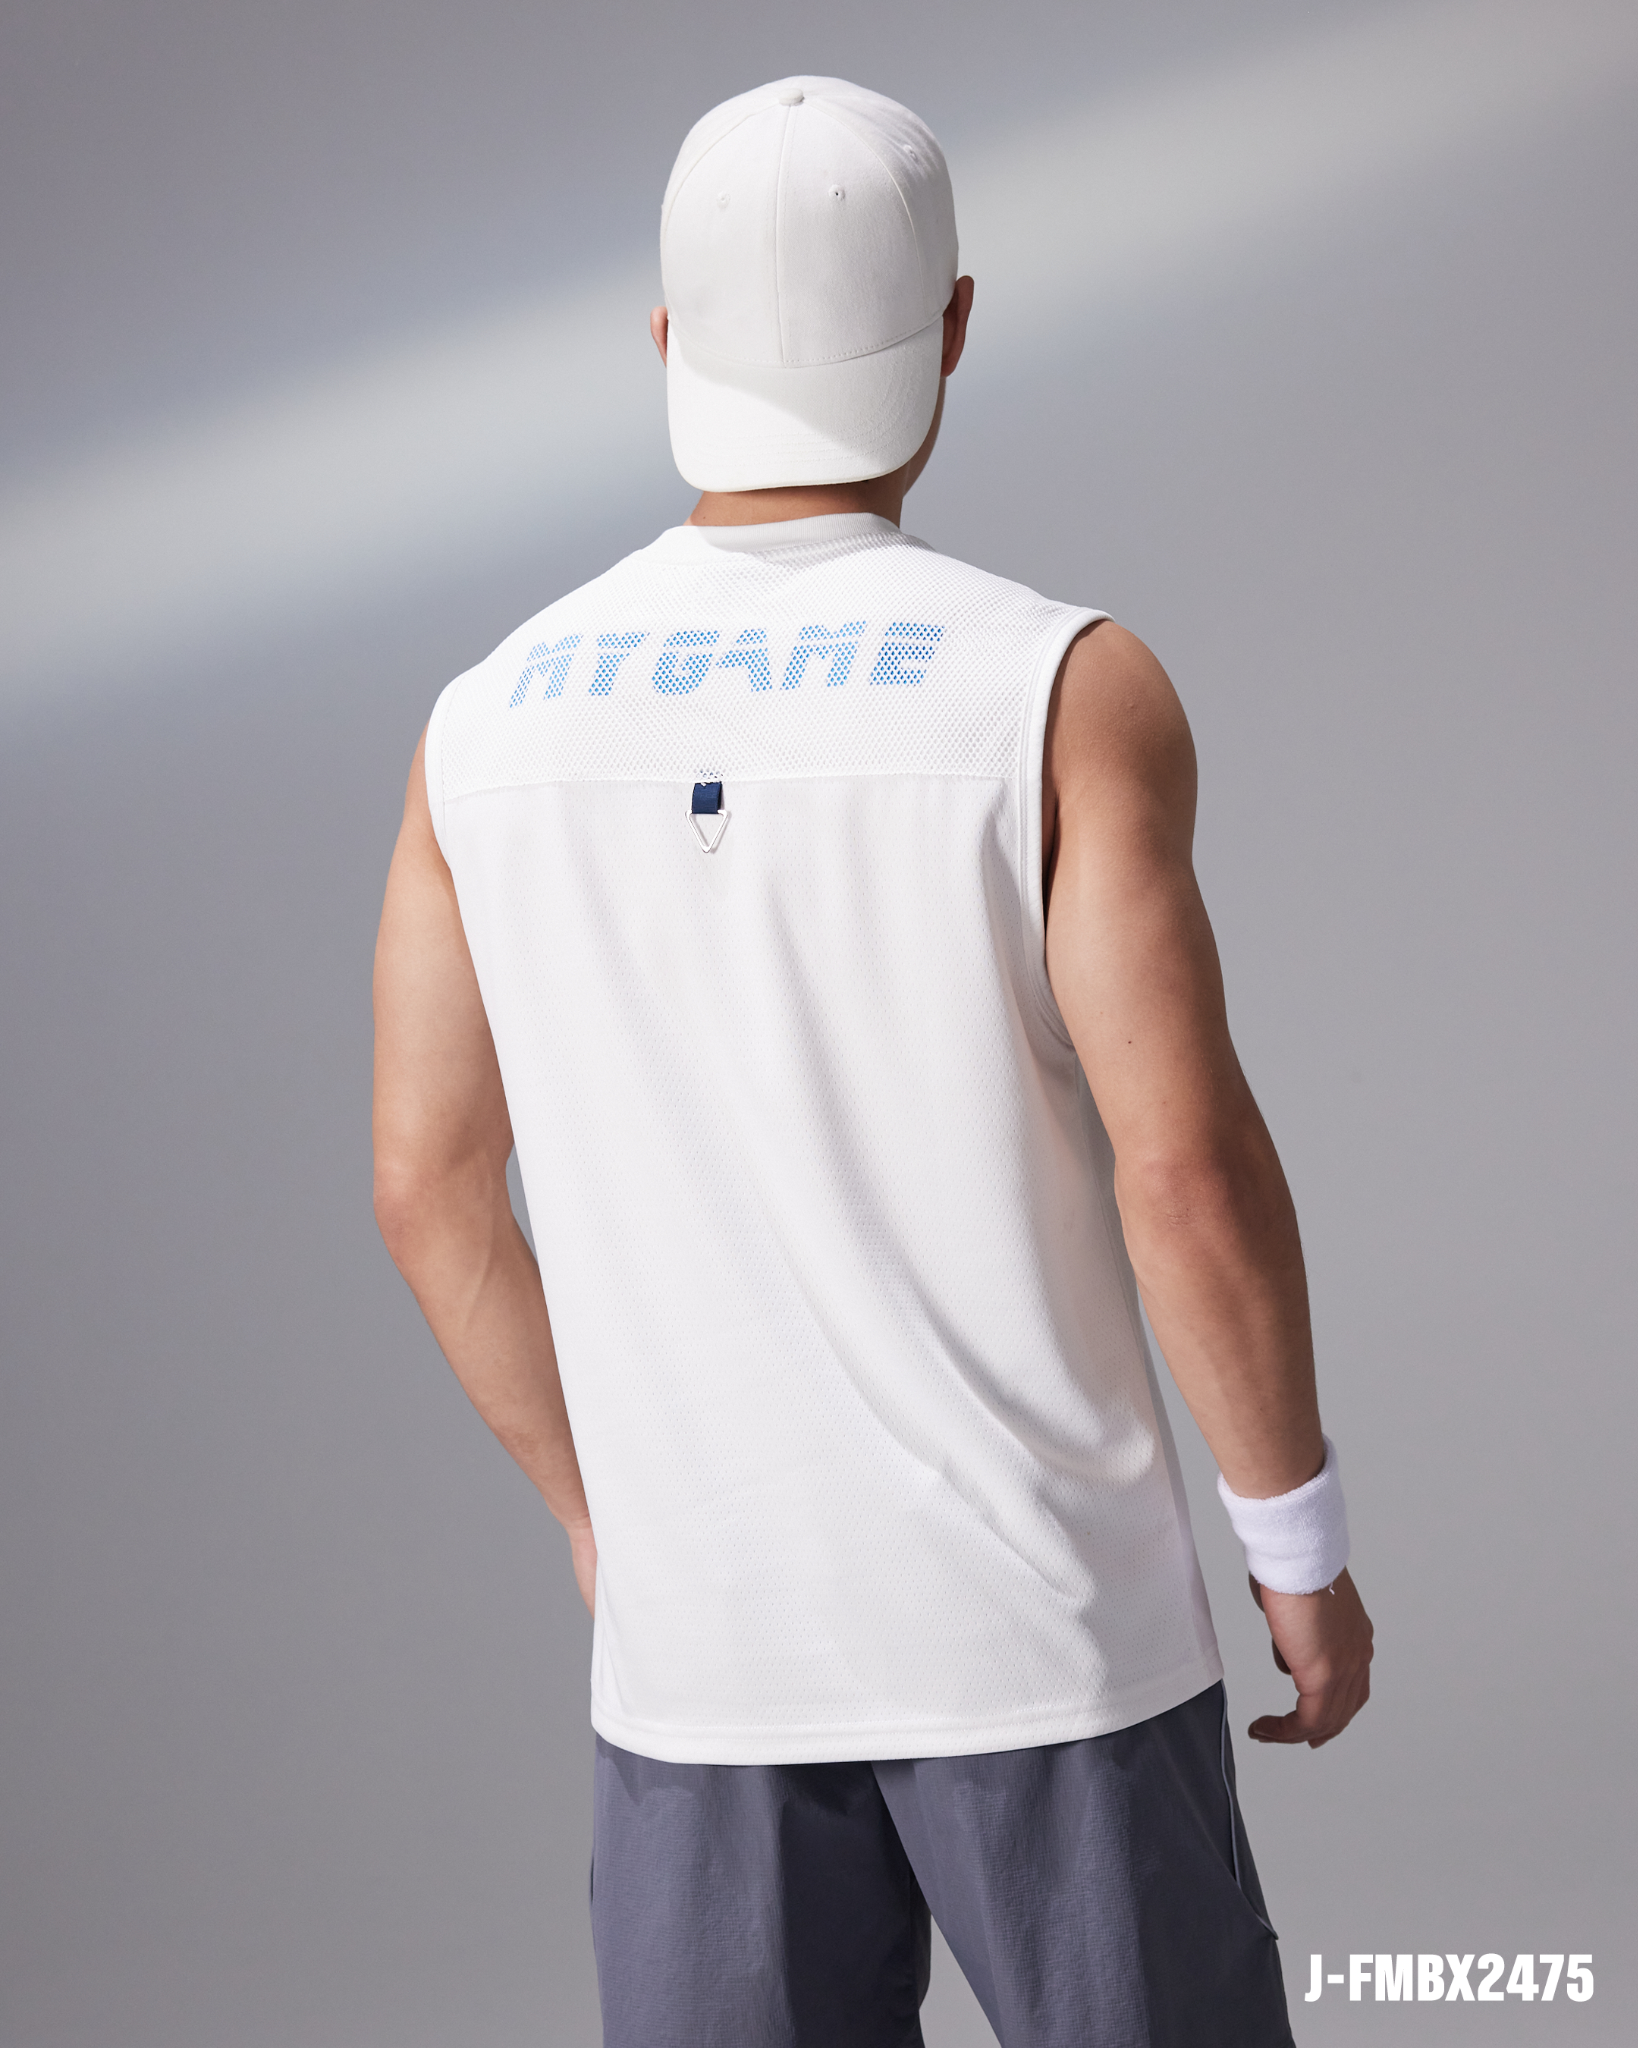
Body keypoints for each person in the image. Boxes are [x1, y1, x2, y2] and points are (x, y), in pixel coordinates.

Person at [372, 75, 1373, 2048]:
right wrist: (1299, 1546)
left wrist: (603, 1516)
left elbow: (427, 1185)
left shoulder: (481, 724)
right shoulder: (1057, 686)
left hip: (703, 1663)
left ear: (667, 338)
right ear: (954, 327)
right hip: (1047, 1645)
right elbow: (1186, 1168)